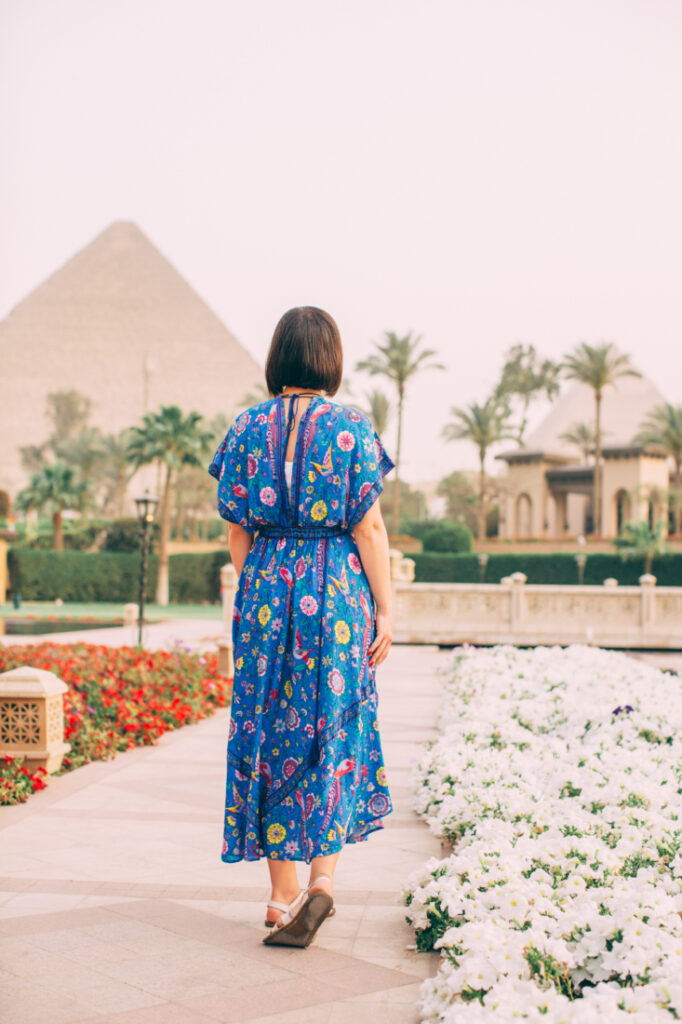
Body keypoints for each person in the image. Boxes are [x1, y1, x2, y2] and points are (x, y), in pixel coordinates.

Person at [208, 305, 395, 948]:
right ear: (331, 359)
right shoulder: (350, 429)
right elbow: (367, 528)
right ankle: (321, 883)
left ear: (277, 357)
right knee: (333, 724)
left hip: (265, 590)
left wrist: (265, 581)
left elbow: (237, 529)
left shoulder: (246, 428)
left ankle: (279, 892)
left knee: (268, 729)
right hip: (338, 595)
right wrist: (387, 609)